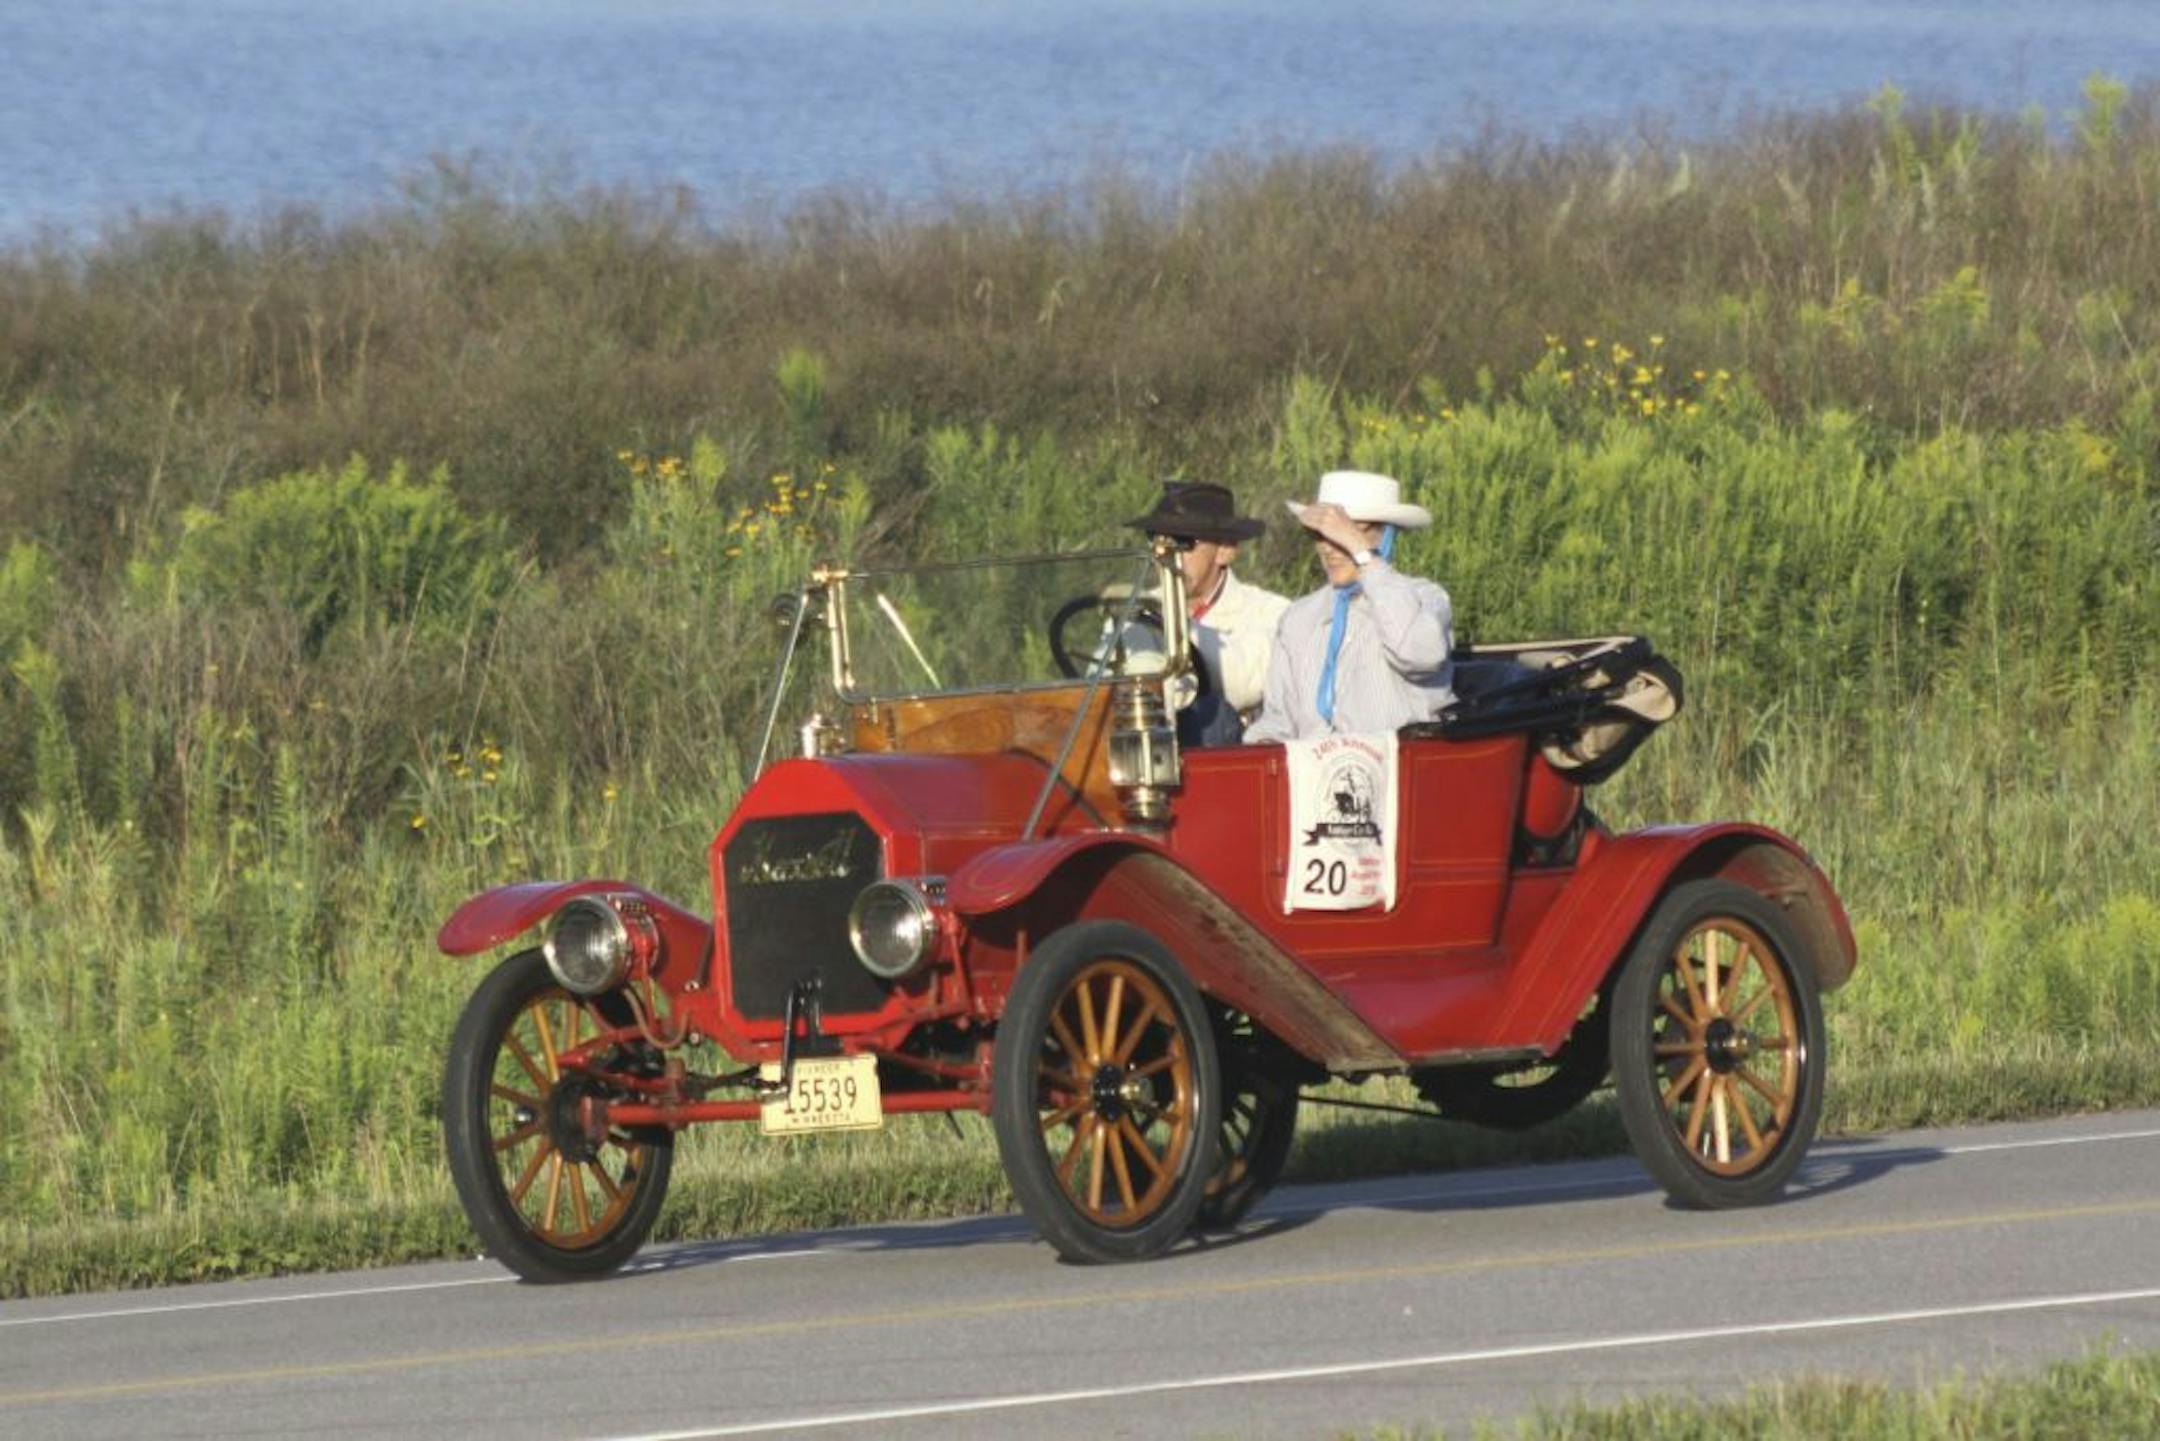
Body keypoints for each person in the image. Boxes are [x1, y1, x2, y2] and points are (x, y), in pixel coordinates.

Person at [1244, 470, 1454, 743]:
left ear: (1386, 535)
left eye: (1344, 533)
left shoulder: (1425, 598)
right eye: (1321, 535)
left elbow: (1417, 655)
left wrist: (1364, 556)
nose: (1329, 548)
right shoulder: (1299, 617)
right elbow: (1277, 722)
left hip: (1400, 774)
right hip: (1314, 778)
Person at [1126, 479, 1291, 742]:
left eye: (1182, 541)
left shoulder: (1271, 612)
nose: (1163, 553)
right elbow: (1105, 693)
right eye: (1155, 538)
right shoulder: (1134, 610)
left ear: (1225, 550)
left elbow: (1242, 685)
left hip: (1231, 764)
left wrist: (1163, 622)